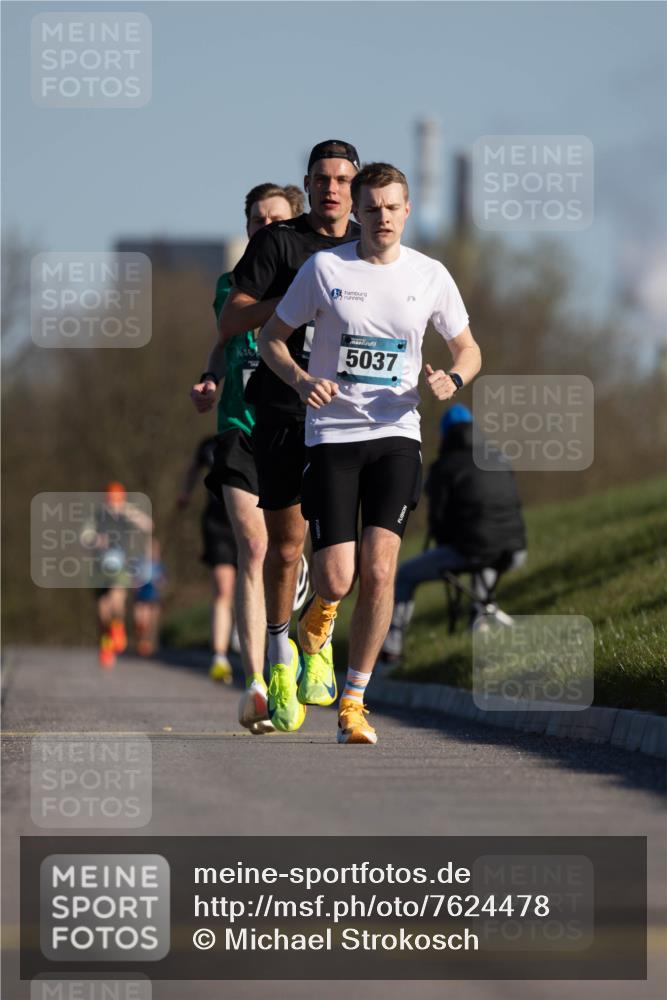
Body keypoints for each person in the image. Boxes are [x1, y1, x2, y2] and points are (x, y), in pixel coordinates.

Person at [259, 162, 482, 743]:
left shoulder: (430, 274)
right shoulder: (325, 268)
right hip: (332, 435)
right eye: (372, 207)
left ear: (407, 210)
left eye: (392, 206)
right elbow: (270, 340)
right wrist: (302, 380)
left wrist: (452, 381)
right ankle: (321, 614)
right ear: (356, 212)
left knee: (381, 569)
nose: (382, 217)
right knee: (338, 576)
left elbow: (468, 349)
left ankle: (354, 702)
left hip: (396, 434)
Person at [212, 142, 362, 734]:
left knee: (348, 547)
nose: (331, 188)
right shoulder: (278, 243)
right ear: (309, 183)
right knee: (286, 544)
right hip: (281, 408)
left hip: (350, 415)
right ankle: (279, 659)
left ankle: (319, 630)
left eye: (342, 179)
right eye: (322, 178)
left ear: (356, 187)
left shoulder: (368, 246)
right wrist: (296, 302)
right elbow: (231, 321)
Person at [190, 182, 304, 733]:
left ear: (293, 227)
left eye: (275, 221)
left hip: (295, 429)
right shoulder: (229, 284)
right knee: (253, 546)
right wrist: (211, 376)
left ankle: (297, 610)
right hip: (239, 427)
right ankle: (256, 682)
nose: (263, 229)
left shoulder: (318, 280)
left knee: (289, 549)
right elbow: (224, 337)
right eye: (256, 221)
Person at [381, 404, 528, 662]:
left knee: (404, 575)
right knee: (487, 549)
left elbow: (438, 522)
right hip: (515, 551)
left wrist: (446, 537)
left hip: (473, 551)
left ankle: (392, 649)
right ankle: (479, 617)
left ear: (445, 434)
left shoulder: (444, 467)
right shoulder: (499, 457)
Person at [178, 437, 239, 685]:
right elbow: (194, 468)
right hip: (218, 523)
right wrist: (186, 492)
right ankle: (219, 656)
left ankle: (241, 625)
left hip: (251, 518)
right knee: (223, 587)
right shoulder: (208, 445)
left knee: (249, 584)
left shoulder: (253, 432)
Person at [90, 482, 153, 669]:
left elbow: (148, 525)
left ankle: (118, 630)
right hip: (99, 567)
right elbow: (85, 536)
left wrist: (127, 510)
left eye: (117, 500)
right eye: (111, 500)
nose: (113, 504)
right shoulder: (98, 515)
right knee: (102, 611)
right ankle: (106, 644)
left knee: (117, 600)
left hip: (121, 565)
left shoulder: (126, 515)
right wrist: (95, 540)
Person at [133, 538, 166, 656]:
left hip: (152, 597)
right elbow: (134, 580)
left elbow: (162, 582)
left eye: (154, 549)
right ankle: (140, 640)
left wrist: (159, 582)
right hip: (140, 596)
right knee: (140, 621)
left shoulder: (158, 566)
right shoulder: (139, 564)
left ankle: (146, 643)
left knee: (150, 622)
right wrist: (136, 583)